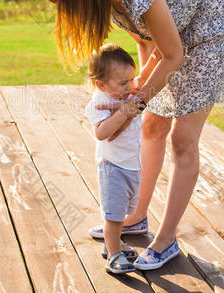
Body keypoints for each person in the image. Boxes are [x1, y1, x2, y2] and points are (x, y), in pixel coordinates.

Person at [41, 0, 224, 270]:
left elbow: (174, 54)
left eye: (67, 2)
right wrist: (138, 91)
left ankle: (166, 241)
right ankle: (136, 217)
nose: (68, 12)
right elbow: (149, 43)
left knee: (183, 140)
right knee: (152, 126)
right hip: (172, 42)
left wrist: (138, 100)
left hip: (210, 37)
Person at [84, 43, 145, 274]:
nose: (130, 87)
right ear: (101, 84)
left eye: (131, 80)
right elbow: (101, 133)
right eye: (123, 83)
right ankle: (113, 255)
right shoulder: (98, 102)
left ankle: (115, 243)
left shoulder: (125, 94)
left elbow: (143, 79)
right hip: (113, 167)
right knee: (113, 216)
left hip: (131, 165)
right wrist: (124, 113)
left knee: (121, 214)